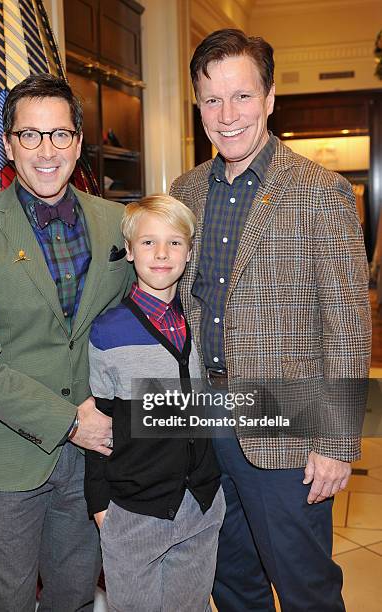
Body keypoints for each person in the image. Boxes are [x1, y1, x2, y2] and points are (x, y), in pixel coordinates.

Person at [170, 29, 372, 612]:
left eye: (241, 96)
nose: (226, 115)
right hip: (204, 428)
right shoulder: (185, 192)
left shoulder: (321, 192)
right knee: (231, 583)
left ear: (270, 97)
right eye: (211, 99)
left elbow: (348, 325)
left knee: (306, 587)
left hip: (287, 433)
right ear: (198, 105)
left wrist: (335, 442)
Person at [0, 74, 132, 612]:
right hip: (6, 461)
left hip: (91, 463)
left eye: (60, 134)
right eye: (30, 135)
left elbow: (142, 321)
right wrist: (72, 421)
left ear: (78, 142)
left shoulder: (118, 224)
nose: (46, 151)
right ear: (9, 145)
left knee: (74, 598)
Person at [84, 195, 225, 612]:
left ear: (188, 251)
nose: (161, 254)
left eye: (174, 243)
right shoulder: (109, 331)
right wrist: (99, 505)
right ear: (129, 251)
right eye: (147, 243)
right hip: (134, 509)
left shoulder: (202, 322)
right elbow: (100, 421)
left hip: (199, 503)